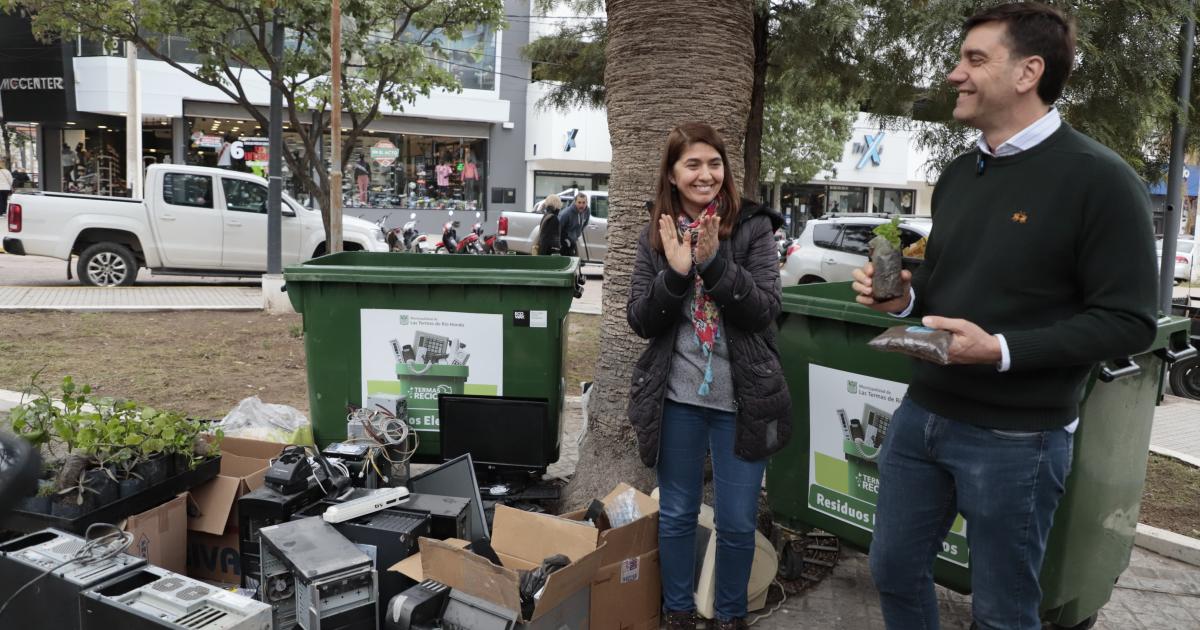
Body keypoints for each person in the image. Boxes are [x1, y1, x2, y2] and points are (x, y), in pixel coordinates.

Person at [851, 4, 1157, 629]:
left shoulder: (1100, 180)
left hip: (1019, 438)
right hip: (923, 415)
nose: (953, 75)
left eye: (974, 59)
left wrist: (1000, 350)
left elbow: (1129, 322)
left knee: (1002, 611)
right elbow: (941, 285)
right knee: (892, 570)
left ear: (1029, 72)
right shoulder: (962, 172)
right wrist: (902, 302)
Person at [627, 122, 791, 630]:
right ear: (672, 175)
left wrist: (714, 264)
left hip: (743, 401)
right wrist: (675, 274)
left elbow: (764, 311)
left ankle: (729, 616)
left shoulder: (753, 228)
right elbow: (640, 319)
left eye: (714, 163)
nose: (706, 175)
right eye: (692, 165)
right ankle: (677, 612)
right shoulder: (657, 234)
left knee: (737, 521)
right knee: (676, 514)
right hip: (676, 399)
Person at [557, 193, 590, 257]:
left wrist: (576, 235)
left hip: (573, 240)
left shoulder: (587, 211)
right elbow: (558, 228)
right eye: (579, 202)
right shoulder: (566, 213)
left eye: (584, 202)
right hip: (564, 242)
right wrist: (564, 241)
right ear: (575, 202)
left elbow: (584, 224)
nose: (581, 205)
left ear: (586, 203)